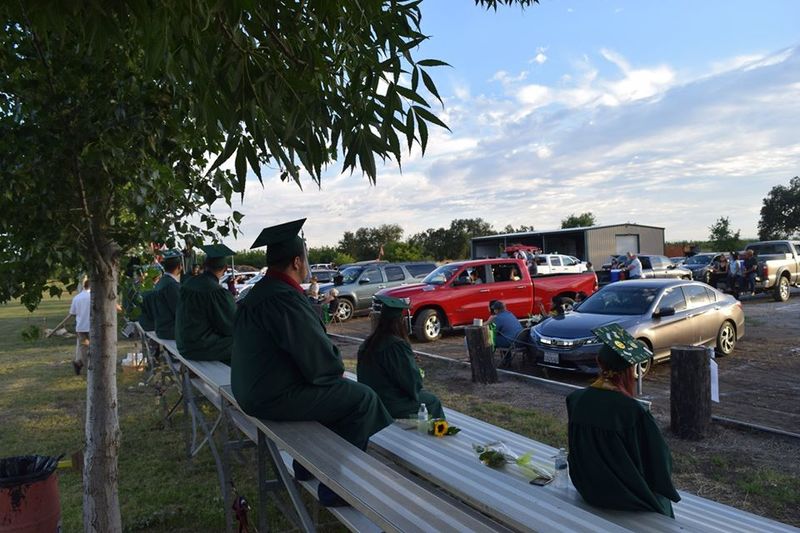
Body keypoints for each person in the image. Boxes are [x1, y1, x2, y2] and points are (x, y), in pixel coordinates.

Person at [232, 219, 392, 507]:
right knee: (362, 399)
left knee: (334, 397)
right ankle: (337, 486)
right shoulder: (283, 298)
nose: (308, 264)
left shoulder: (258, 292)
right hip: (270, 395)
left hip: (251, 389)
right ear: (296, 261)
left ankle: (306, 466)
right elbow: (319, 360)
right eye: (306, 258)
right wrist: (333, 370)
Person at [567, 324, 680, 517]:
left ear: (598, 362)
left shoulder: (575, 400)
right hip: (628, 498)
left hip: (590, 490)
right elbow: (659, 464)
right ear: (630, 370)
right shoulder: (634, 412)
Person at [357, 295, 444, 420]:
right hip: (390, 403)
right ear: (400, 321)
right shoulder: (396, 345)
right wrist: (413, 365)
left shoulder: (368, 343)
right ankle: (437, 437)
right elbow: (412, 382)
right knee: (432, 401)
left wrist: (408, 359)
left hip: (372, 399)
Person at [175, 244, 237, 364]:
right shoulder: (216, 291)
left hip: (183, 343)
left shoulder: (188, 284)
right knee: (247, 339)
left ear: (204, 265)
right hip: (200, 347)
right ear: (225, 268)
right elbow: (231, 326)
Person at [153, 249, 183, 340]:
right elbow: (179, 311)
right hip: (169, 330)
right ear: (179, 267)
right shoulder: (171, 285)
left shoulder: (162, 282)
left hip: (162, 327)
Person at [487, 300, 523, 368]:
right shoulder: (510, 314)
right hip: (519, 340)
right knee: (504, 336)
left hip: (510, 342)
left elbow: (491, 331)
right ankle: (507, 360)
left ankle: (487, 361)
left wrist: (489, 321)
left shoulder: (498, 318)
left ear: (496, 310)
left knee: (489, 340)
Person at [69, 279, 91, 375]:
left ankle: (79, 363)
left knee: (84, 348)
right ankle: (90, 368)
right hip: (92, 326)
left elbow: (73, 313)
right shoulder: (93, 297)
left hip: (81, 327)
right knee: (95, 347)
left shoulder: (76, 298)